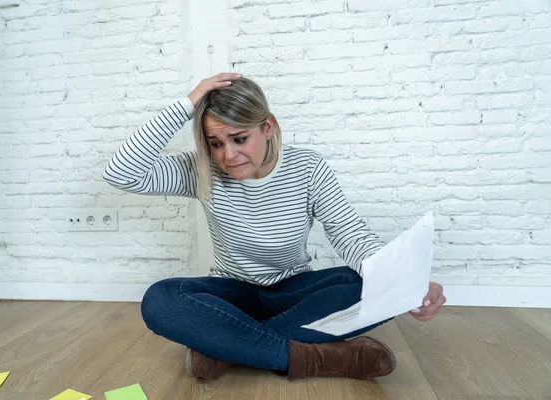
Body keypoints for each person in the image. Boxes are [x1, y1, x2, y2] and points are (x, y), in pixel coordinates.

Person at [102, 73, 446, 381]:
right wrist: (188, 104)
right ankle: (313, 358)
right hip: (233, 295)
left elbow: (350, 234)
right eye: (215, 143)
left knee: (361, 282)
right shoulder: (200, 170)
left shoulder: (308, 168)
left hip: (292, 291)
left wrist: (405, 278)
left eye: (239, 138)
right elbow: (120, 172)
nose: (228, 155)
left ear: (268, 127)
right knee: (160, 300)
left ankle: (227, 349)